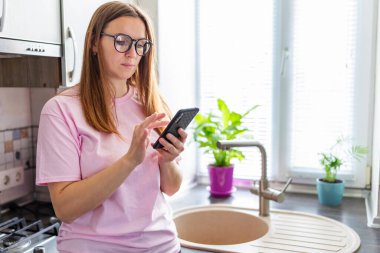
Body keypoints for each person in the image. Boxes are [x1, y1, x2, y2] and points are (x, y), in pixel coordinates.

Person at [36, 2, 186, 252]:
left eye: (140, 44)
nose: (132, 53)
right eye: (121, 41)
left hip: (163, 246)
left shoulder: (154, 104)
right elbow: (66, 208)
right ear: (94, 42)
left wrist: (167, 160)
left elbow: (170, 188)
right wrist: (129, 161)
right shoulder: (60, 110)